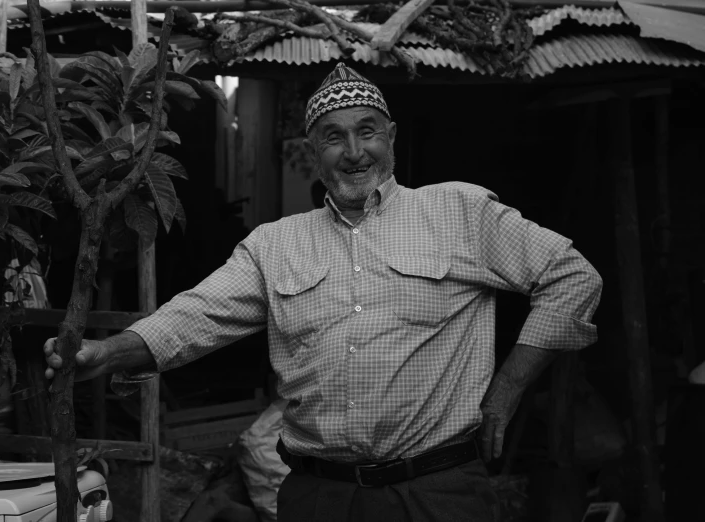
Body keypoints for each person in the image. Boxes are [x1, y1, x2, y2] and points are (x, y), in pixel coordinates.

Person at [44, 63, 602, 521]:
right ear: (312, 151)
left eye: (367, 131)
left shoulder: (459, 211)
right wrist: (102, 353)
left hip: (439, 493)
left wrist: (507, 388)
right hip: (320, 498)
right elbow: (194, 317)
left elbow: (573, 277)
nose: (354, 151)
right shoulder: (276, 244)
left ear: (391, 137)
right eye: (334, 137)